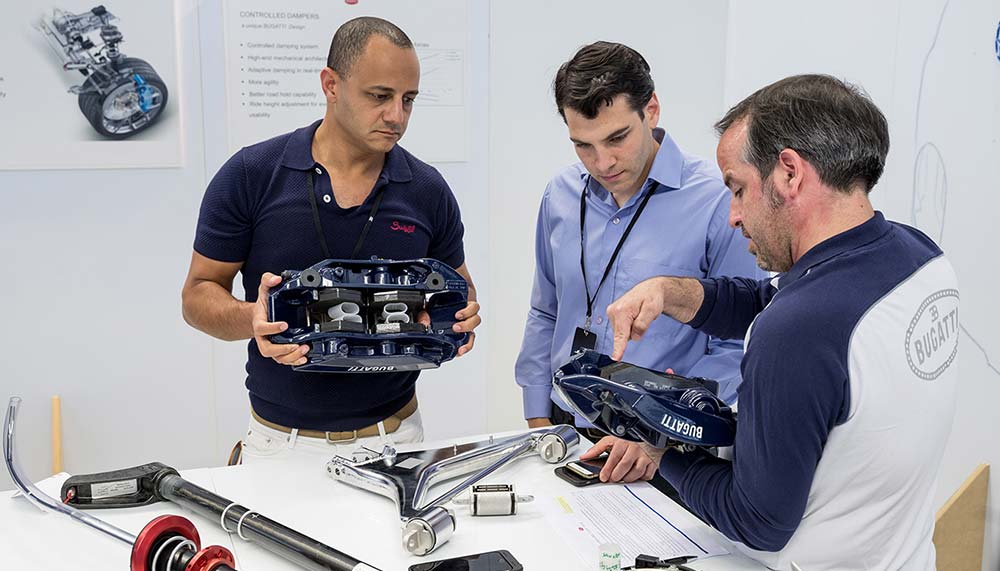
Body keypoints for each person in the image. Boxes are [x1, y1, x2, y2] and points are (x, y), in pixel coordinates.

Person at [597, 74, 958, 570]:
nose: (733, 215)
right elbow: (774, 300)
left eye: (738, 189)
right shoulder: (917, 256)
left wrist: (662, 451)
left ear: (789, 173)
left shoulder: (797, 331)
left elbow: (757, 522)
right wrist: (669, 291)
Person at [181, 17, 480, 464]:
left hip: (397, 438)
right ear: (331, 85)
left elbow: (460, 285)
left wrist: (457, 316)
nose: (396, 116)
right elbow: (197, 295)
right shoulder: (251, 175)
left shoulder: (427, 189)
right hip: (280, 446)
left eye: (408, 99)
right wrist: (255, 317)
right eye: (379, 96)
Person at [515, 41, 763, 484]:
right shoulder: (561, 194)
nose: (602, 162)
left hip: (662, 449)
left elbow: (736, 344)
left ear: (651, 110)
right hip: (562, 428)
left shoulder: (717, 201)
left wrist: (659, 428)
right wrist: (537, 414)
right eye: (583, 145)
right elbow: (546, 309)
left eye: (617, 138)